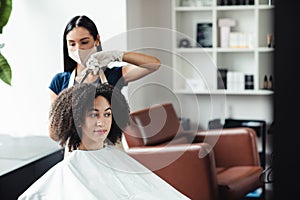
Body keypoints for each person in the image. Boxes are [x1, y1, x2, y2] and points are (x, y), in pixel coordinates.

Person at [18, 83, 189, 200]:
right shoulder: (71, 168)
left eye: (107, 114)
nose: (102, 122)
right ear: (76, 119)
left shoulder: (115, 157)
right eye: (93, 114)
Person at [48, 14, 160, 143]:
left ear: (97, 40)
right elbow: (54, 134)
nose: (78, 49)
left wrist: (118, 55)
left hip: (109, 149)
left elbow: (153, 64)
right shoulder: (59, 81)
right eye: (72, 44)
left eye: (84, 42)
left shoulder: (113, 75)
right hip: (77, 152)